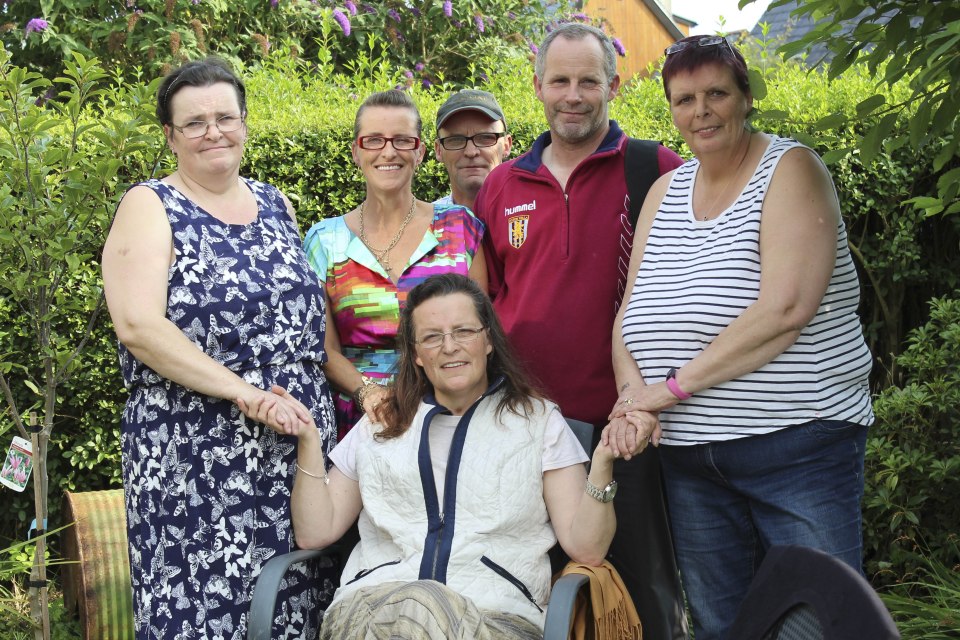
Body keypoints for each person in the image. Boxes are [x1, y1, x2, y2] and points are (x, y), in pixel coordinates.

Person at [607, 35, 875, 640]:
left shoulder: (792, 169)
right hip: (689, 459)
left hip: (796, 446)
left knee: (822, 622)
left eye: (716, 94)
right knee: (722, 626)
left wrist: (666, 390)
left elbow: (785, 309)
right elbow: (629, 315)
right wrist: (632, 399)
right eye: (684, 99)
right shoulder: (663, 193)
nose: (700, 111)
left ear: (745, 98)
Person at [101, 58, 335, 639]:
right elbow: (138, 326)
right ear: (170, 136)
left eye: (225, 117)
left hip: (297, 450)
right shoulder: (149, 206)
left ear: (246, 123)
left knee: (302, 602)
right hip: (196, 453)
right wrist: (244, 392)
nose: (214, 132)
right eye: (195, 122)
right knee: (209, 612)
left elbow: (309, 322)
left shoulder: (276, 202)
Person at [473, 21, 688, 639]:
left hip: (626, 424)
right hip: (524, 428)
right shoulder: (502, 184)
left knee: (645, 595)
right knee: (542, 595)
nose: (573, 94)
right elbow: (486, 299)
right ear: (538, 86)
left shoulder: (655, 169)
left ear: (612, 86)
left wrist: (648, 399)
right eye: (559, 80)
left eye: (587, 81)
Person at [269, 273, 617, 638]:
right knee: (416, 609)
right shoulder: (380, 424)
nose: (450, 346)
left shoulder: (537, 422)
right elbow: (315, 532)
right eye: (433, 337)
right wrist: (308, 440)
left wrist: (603, 464)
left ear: (488, 341)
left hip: (496, 616)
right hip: (370, 611)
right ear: (417, 354)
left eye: (464, 331)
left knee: (422, 610)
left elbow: (587, 549)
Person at [304, 90, 486, 443]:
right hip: (361, 426)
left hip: (452, 417)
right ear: (356, 152)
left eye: (403, 140)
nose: (388, 152)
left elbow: (483, 331)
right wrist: (367, 392)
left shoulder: (460, 228)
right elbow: (321, 347)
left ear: (419, 152)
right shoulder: (324, 241)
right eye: (373, 140)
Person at [433, 89, 513, 212]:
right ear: (438, 150)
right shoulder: (423, 227)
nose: (470, 152)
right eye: (456, 140)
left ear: (506, 145)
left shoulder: (534, 218)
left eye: (485, 138)